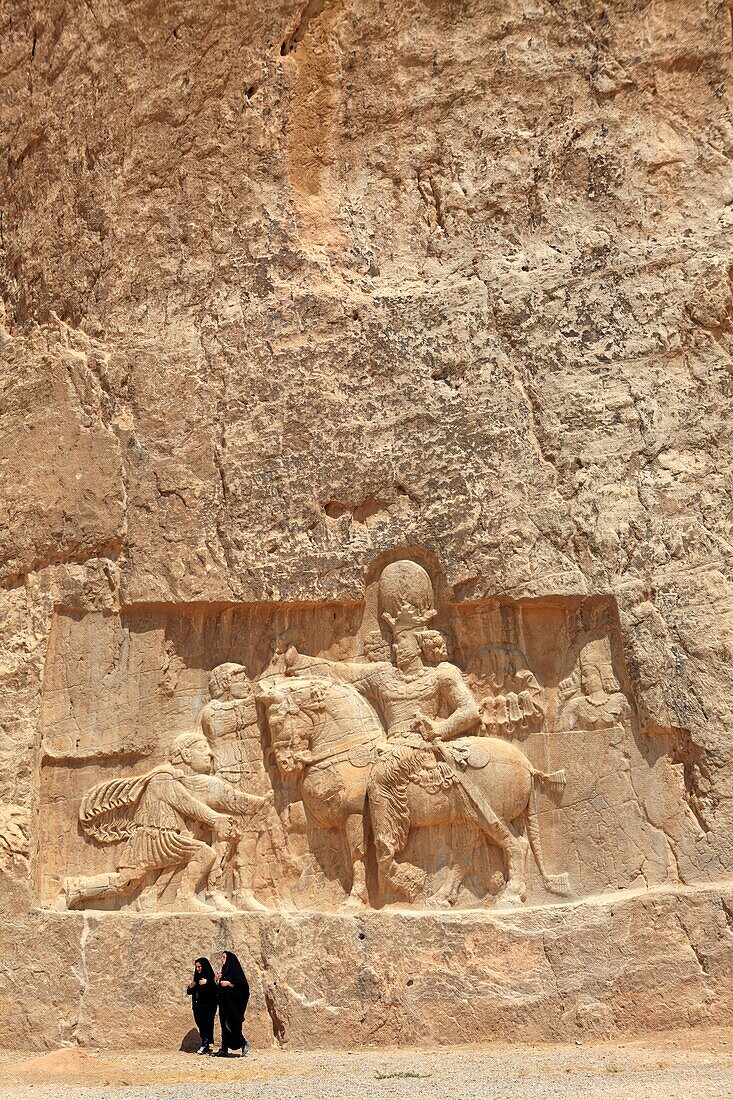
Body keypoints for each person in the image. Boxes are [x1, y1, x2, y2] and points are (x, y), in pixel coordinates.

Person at [213, 951, 250, 1057]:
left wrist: (229, 984)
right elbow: (219, 990)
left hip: (233, 1005)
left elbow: (243, 988)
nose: (222, 959)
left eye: (224, 957)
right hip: (224, 1004)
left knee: (232, 1026)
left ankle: (244, 1043)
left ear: (229, 959)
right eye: (221, 957)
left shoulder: (236, 974)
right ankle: (224, 1049)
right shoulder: (224, 972)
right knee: (224, 1026)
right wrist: (217, 980)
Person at [186, 957, 218, 1054]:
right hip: (198, 1006)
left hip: (209, 1005)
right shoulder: (197, 977)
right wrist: (190, 987)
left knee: (206, 1024)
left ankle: (204, 1044)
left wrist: (207, 982)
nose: (198, 969)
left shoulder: (210, 977)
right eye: (196, 967)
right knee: (200, 1024)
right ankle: (206, 1044)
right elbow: (190, 992)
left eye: (200, 967)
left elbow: (215, 989)